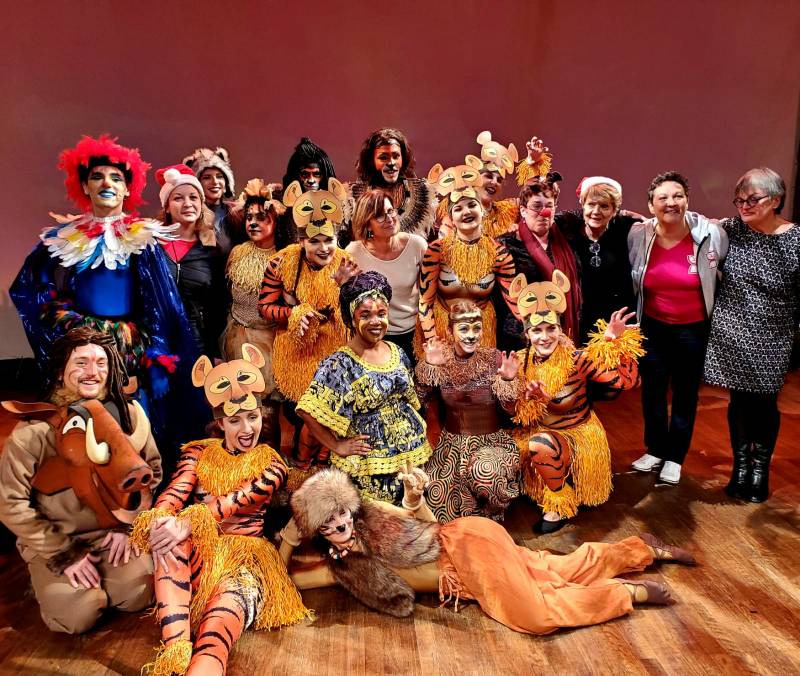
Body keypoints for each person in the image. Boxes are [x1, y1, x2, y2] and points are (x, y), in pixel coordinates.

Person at [280, 467, 694, 634]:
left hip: (465, 545)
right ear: (318, 532)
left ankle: (627, 593)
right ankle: (640, 551)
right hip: (468, 573)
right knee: (553, 570)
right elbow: (287, 579)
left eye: (341, 514)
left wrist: (412, 498)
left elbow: (424, 521)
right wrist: (290, 537)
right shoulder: (338, 567)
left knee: (535, 616)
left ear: (350, 507)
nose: (340, 526)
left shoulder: (373, 514)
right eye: (327, 524)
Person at [130, 343, 309, 675]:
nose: (247, 429)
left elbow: (236, 501)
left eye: (253, 417)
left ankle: (205, 664)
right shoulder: (197, 452)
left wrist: (190, 520)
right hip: (198, 558)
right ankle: (175, 650)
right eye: (235, 420)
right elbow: (173, 494)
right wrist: (160, 519)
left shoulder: (272, 465)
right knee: (170, 537)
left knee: (218, 625)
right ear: (221, 424)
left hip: (244, 562)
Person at [9, 135, 198, 439]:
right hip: (81, 343)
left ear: (127, 189)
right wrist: (60, 319)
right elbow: (28, 285)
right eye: (97, 176)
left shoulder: (142, 239)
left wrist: (157, 354)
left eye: (116, 178)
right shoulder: (66, 237)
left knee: (129, 425)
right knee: (79, 424)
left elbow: (161, 304)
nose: (107, 183)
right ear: (85, 187)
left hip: (127, 349)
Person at [0, 327, 161, 634]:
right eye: (81, 363)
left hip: (110, 536)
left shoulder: (129, 414)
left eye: (101, 363)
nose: (92, 372)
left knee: (140, 593)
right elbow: (9, 503)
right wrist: (62, 553)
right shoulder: (32, 433)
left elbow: (151, 471)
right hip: (58, 541)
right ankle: (47, 580)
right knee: (80, 614)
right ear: (61, 372)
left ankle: (102, 580)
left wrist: (128, 526)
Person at [505, 272, 643, 533]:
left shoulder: (577, 359)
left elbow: (628, 382)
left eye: (551, 329)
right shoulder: (520, 361)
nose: (544, 337)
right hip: (541, 432)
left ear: (561, 330)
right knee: (505, 444)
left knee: (540, 443)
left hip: (576, 437)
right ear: (527, 334)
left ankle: (559, 504)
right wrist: (512, 387)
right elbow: (513, 413)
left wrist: (615, 342)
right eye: (537, 330)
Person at [296, 272, 432, 504]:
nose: (375, 321)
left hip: (409, 457)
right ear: (351, 319)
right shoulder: (340, 364)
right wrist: (337, 446)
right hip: (369, 468)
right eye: (365, 315)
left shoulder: (397, 352)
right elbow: (306, 410)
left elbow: (411, 399)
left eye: (381, 314)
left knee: (411, 512)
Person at [704, 167, 798, 502]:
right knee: (739, 400)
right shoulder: (732, 229)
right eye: (739, 200)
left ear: (775, 200)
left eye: (752, 199)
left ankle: (760, 469)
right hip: (731, 329)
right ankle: (740, 466)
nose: (744, 206)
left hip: (774, 334)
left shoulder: (795, 239)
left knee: (765, 401)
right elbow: (692, 226)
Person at [628, 172, 728, 486]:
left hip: (693, 330)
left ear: (687, 200)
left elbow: (721, 268)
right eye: (663, 198)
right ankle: (656, 448)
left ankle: (675, 456)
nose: (671, 202)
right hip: (653, 327)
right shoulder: (639, 235)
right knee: (653, 392)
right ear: (651, 205)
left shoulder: (710, 233)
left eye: (678, 196)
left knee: (685, 394)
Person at [258, 177, 354, 465]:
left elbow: (358, 314)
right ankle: (301, 465)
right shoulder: (281, 263)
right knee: (299, 413)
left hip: (333, 351)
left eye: (328, 240)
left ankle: (323, 464)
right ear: (301, 240)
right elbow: (265, 307)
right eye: (314, 241)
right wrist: (295, 313)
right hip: (296, 353)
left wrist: (344, 289)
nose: (323, 248)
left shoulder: (347, 263)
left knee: (331, 414)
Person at [416, 300, 521, 522]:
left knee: (484, 473)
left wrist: (508, 381)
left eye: (477, 328)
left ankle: (491, 516)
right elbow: (419, 401)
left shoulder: (494, 358)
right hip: (451, 448)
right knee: (435, 502)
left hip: (491, 443)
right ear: (450, 331)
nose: (471, 335)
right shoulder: (441, 358)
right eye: (464, 329)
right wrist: (430, 367)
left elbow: (511, 412)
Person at [418, 162, 518, 354]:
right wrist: (433, 341)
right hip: (442, 333)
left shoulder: (499, 253)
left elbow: (515, 302)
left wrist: (542, 328)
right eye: (458, 209)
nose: (466, 212)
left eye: (472, 205)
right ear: (451, 217)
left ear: (482, 211)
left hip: (481, 334)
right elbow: (425, 302)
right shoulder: (437, 250)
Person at [221, 178, 286, 450]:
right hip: (237, 334)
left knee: (267, 403)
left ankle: (269, 453)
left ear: (275, 221)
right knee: (241, 399)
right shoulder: (238, 253)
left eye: (261, 218)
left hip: (268, 340)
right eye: (249, 218)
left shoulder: (284, 257)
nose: (253, 223)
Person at [497, 180, 581, 350]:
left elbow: (590, 210)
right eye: (536, 206)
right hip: (521, 339)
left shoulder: (568, 238)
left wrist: (625, 214)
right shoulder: (505, 245)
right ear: (523, 210)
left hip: (564, 334)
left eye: (549, 206)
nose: (544, 212)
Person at [346, 190, 427, 361]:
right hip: (373, 335)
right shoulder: (353, 252)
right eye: (379, 216)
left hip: (414, 333)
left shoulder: (417, 245)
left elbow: (429, 294)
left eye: (391, 211)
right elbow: (348, 301)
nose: (389, 218)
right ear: (367, 224)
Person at [557, 177, 639, 343]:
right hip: (581, 324)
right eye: (591, 204)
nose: (596, 211)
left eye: (604, 206)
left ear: (614, 210)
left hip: (620, 322)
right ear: (582, 205)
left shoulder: (626, 228)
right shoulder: (567, 232)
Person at [157, 164, 223, 358]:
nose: (187, 204)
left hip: (197, 346)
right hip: (157, 345)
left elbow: (217, 307)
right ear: (167, 207)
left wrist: (215, 353)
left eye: (193, 197)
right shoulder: (151, 247)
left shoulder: (211, 251)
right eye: (178, 198)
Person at [348, 127, 436, 238]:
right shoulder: (352, 198)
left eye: (396, 156)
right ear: (371, 161)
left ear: (403, 158)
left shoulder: (424, 194)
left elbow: (431, 238)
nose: (391, 163)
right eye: (383, 157)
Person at [182, 146, 243, 258]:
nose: (215, 182)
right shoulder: (187, 215)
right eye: (207, 177)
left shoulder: (238, 214)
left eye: (219, 177)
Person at [279, 137, 338, 247]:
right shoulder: (280, 207)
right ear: (296, 176)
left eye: (316, 174)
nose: (311, 180)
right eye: (305, 174)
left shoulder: (340, 206)